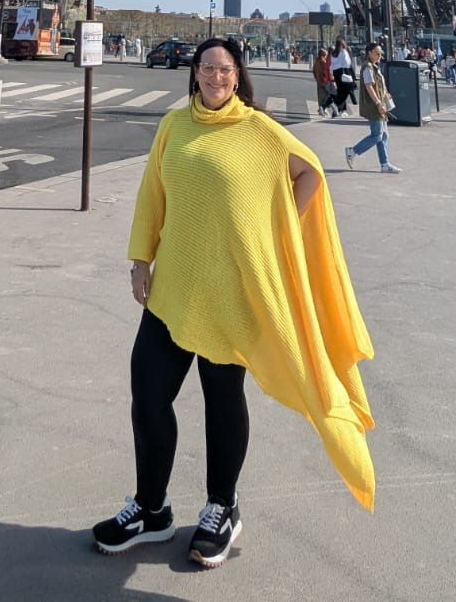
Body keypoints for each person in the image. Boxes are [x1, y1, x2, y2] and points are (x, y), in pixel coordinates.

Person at [92, 37, 376, 567]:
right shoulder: (173, 127)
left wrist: (280, 230)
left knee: (222, 403)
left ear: (237, 76)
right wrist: (139, 260)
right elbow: (152, 194)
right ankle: (151, 509)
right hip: (173, 287)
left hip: (231, 294)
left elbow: (310, 172)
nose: (216, 77)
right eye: (207, 68)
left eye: (225, 69)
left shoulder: (260, 131)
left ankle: (222, 505)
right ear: (195, 74)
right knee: (148, 397)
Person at [344, 45, 401, 174]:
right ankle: (352, 151)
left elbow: (379, 85)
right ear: (369, 53)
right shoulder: (368, 67)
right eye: (377, 53)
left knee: (384, 135)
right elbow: (369, 86)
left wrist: (385, 94)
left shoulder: (374, 66)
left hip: (379, 104)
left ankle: (385, 164)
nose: (380, 56)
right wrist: (378, 102)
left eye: (381, 53)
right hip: (375, 105)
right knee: (377, 135)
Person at [331, 36, 356, 115]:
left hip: (336, 73)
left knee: (341, 90)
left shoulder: (333, 53)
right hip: (344, 71)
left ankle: (341, 110)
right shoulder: (343, 52)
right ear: (342, 44)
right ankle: (337, 105)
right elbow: (347, 63)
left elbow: (332, 65)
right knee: (346, 90)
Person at [312, 45, 337, 117]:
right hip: (324, 82)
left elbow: (313, 71)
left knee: (321, 96)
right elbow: (326, 72)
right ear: (322, 55)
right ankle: (326, 109)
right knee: (328, 97)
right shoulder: (323, 62)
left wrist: (317, 78)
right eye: (325, 55)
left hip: (319, 81)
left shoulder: (316, 61)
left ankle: (322, 109)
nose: (326, 56)